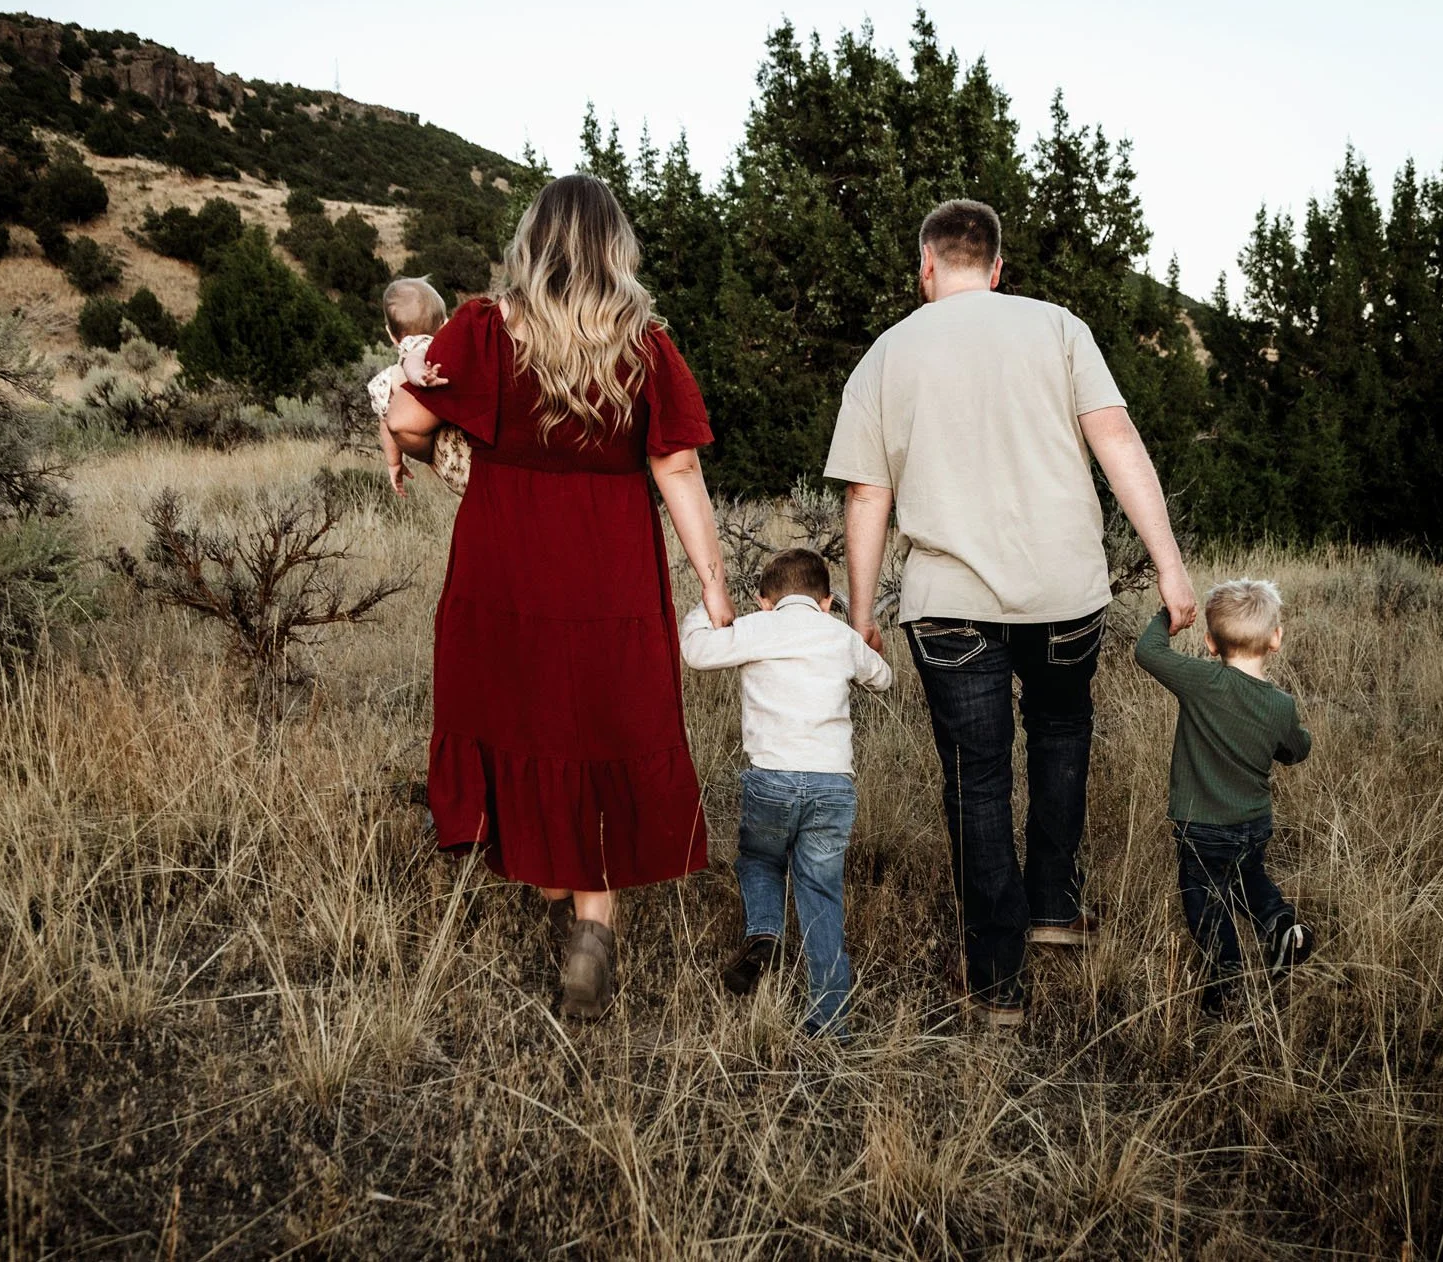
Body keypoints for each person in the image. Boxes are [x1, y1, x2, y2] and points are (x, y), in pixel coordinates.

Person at [827, 198, 1197, 1028]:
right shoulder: (1059, 328)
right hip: (1064, 594)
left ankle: (997, 983)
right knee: (1063, 730)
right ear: (996, 269)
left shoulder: (889, 353)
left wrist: (860, 611)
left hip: (948, 606)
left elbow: (865, 492)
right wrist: (1171, 570)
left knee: (977, 775)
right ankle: (1055, 910)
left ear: (928, 267)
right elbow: (1119, 444)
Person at [386, 174, 732, 1020]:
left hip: (504, 557)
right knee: (603, 722)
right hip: (609, 558)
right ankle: (592, 923)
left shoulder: (481, 326)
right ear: (616, 248)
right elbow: (677, 466)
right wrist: (716, 587)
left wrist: (415, 433)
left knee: (524, 713)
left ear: (531, 241)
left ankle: (551, 872)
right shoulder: (644, 342)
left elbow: (406, 419)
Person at [679, 548, 894, 1037]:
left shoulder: (757, 627)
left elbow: (695, 653)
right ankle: (830, 1017)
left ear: (764, 601)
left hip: (770, 778)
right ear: (827, 601)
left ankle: (765, 933)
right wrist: (867, 647)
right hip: (832, 784)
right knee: (821, 889)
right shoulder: (838, 634)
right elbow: (883, 679)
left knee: (759, 859)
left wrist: (706, 610)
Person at [1134, 579, 1315, 1017]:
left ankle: (1226, 974)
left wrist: (1168, 617)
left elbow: (1148, 652)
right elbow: (1297, 751)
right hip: (1253, 825)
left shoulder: (1202, 680)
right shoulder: (1280, 705)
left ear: (1211, 644)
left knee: (1205, 901)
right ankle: (1281, 925)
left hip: (1202, 827)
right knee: (1251, 877)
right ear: (1276, 639)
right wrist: (1294, 735)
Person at [365, 276, 469, 497]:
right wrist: (418, 375)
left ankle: (430, 457)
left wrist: (394, 463)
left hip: (437, 454)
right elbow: (413, 358)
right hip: (453, 448)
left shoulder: (387, 380)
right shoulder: (423, 347)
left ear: (391, 335)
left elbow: (385, 423)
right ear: (444, 324)